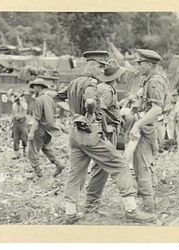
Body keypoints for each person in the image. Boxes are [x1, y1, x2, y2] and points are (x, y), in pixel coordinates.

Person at [54, 50, 155, 224]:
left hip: (76, 135)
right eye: (100, 66)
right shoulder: (92, 84)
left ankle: (70, 213)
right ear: (91, 64)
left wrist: (75, 114)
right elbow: (91, 102)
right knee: (120, 165)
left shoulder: (74, 83)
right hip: (91, 134)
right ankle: (131, 209)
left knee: (75, 174)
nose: (102, 71)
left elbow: (56, 98)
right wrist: (89, 114)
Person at [129, 49, 170, 213]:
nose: (138, 66)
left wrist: (137, 124)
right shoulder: (149, 80)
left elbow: (156, 109)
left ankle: (148, 208)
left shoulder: (155, 82)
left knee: (143, 167)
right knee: (141, 166)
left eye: (140, 63)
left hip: (149, 128)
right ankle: (148, 202)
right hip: (148, 126)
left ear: (149, 64)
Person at [85, 62, 127, 211]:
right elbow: (99, 109)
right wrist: (105, 127)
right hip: (107, 133)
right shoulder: (107, 90)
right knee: (102, 169)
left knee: (103, 168)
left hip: (110, 131)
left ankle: (93, 203)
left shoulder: (108, 89)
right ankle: (91, 204)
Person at [28, 78, 65, 178]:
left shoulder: (39, 100)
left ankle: (37, 173)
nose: (34, 88)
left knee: (33, 150)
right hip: (49, 129)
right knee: (46, 148)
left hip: (40, 129)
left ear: (39, 87)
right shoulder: (50, 99)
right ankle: (59, 164)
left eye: (35, 86)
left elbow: (37, 119)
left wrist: (31, 132)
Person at [11, 93, 28, 160]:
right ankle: (17, 154)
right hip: (16, 122)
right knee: (15, 138)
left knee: (24, 137)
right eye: (16, 100)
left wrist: (21, 100)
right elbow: (13, 114)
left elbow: (25, 109)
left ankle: (24, 152)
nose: (17, 102)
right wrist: (11, 123)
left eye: (18, 100)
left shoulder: (24, 104)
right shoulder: (14, 105)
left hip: (23, 122)